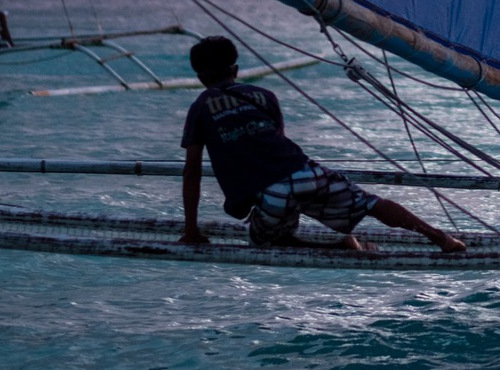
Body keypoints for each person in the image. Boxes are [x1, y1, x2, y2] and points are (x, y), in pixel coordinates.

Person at [179, 36, 465, 252]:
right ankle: (440, 237)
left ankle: (338, 248)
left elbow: (192, 172)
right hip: (304, 173)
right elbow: (277, 140)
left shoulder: (200, 107)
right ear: (236, 70)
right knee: (371, 204)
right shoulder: (263, 95)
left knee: (267, 242)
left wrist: (191, 230)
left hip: (271, 194)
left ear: (200, 76)